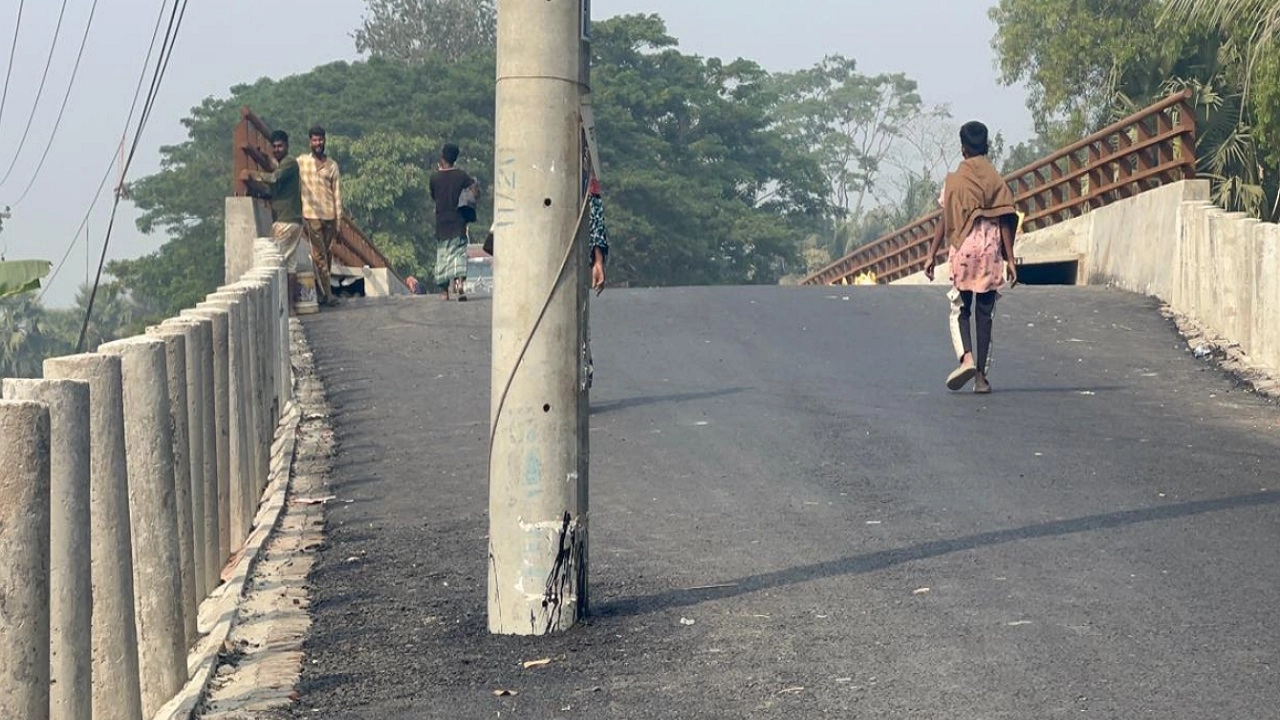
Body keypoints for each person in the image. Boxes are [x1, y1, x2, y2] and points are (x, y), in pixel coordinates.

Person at [924, 120, 1018, 394]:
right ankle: (981, 379)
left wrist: (931, 254)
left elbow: (945, 219)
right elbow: (1005, 219)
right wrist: (1011, 259)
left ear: (962, 148)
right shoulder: (996, 181)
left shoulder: (953, 182)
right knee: (985, 315)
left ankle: (966, 358)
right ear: (986, 146)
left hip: (964, 250)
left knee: (960, 308)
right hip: (990, 253)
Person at [243, 130, 304, 315]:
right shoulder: (284, 165)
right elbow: (273, 188)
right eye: (274, 147)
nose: (277, 149)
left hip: (285, 221)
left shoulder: (289, 163)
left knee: (277, 263)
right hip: (293, 220)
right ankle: (291, 308)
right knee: (290, 265)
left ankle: (282, 306)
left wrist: (251, 174)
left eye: (280, 146)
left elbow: (274, 177)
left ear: (287, 146)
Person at [298, 126, 342, 307]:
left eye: (320, 140)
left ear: (325, 140)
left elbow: (337, 194)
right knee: (318, 255)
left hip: (330, 215)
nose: (318, 143)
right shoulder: (302, 162)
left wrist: (339, 222)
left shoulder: (332, 166)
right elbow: (285, 169)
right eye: (315, 140)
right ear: (310, 142)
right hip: (311, 215)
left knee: (327, 255)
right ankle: (328, 294)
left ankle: (322, 292)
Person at [428, 143, 479, 301]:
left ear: (442, 158)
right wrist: (469, 200)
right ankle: (460, 283)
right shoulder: (461, 175)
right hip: (458, 221)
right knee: (459, 253)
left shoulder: (435, 177)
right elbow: (474, 189)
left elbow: (434, 196)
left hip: (442, 221)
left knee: (443, 255)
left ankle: (444, 292)